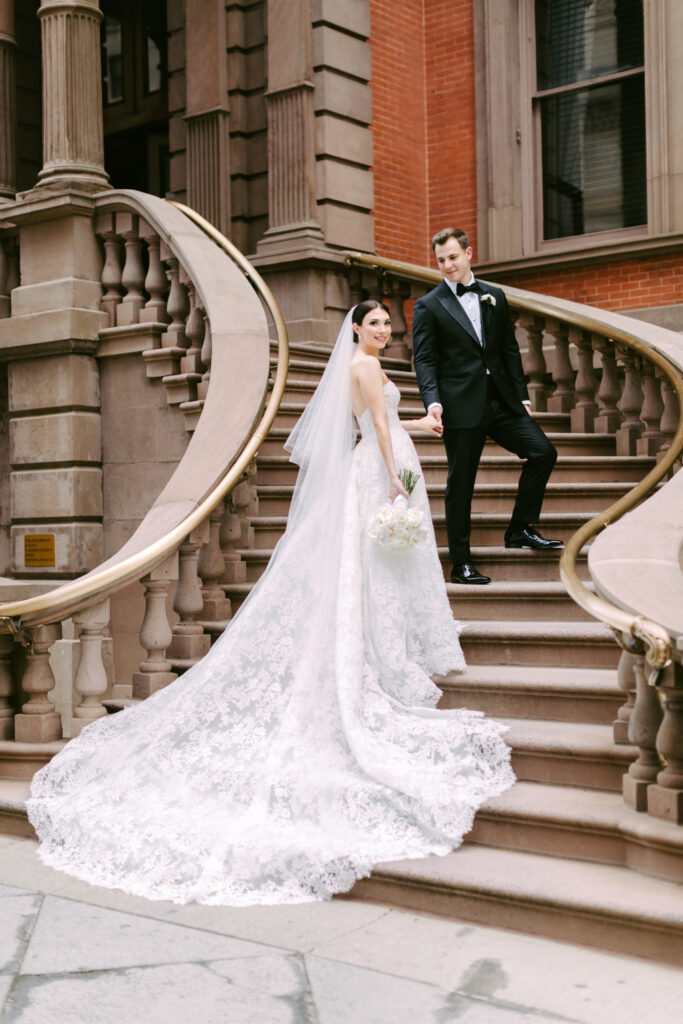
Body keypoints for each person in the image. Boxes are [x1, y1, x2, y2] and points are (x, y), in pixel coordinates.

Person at [27, 301, 514, 907]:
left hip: (388, 464)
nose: (386, 329)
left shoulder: (368, 367)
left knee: (378, 573)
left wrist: (422, 430)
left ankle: (385, 650)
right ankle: (376, 659)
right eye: (376, 322)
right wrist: (395, 477)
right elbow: (378, 433)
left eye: (390, 322)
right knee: (371, 573)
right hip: (381, 474)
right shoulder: (362, 367)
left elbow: (385, 423)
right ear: (356, 328)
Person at [412, 227, 563, 586]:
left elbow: (509, 350)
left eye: (452, 257)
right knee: (461, 484)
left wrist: (522, 396)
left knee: (543, 452)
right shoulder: (429, 304)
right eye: (441, 260)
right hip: (460, 405)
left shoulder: (494, 296)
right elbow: (425, 360)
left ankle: (520, 529)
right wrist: (432, 402)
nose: (447, 265)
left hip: (502, 401)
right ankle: (460, 563)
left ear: (468, 254)